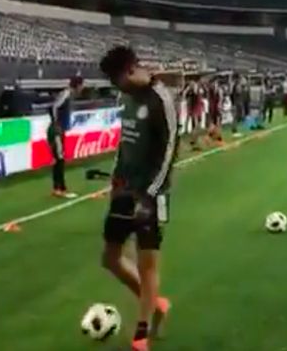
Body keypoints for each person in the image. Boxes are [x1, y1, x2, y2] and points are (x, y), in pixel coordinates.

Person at [98, 46, 177, 351]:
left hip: (150, 195)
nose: (118, 87)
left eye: (118, 80)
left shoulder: (161, 99)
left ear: (131, 70)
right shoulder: (127, 96)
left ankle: (141, 334)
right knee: (110, 258)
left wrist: (151, 193)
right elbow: (125, 140)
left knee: (147, 265)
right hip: (124, 189)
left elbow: (169, 150)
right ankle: (156, 304)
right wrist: (116, 175)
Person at [48, 76, 83, 199]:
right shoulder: (66, 94)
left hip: (59, 130)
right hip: (57, 131)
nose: (82, 88)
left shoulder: (67, 94)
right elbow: (54, 107)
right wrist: (56, 123)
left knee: (59, 159)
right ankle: (60, 189)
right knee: (60, 159)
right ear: (78, 85)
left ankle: (58, 188)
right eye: (81, 85)